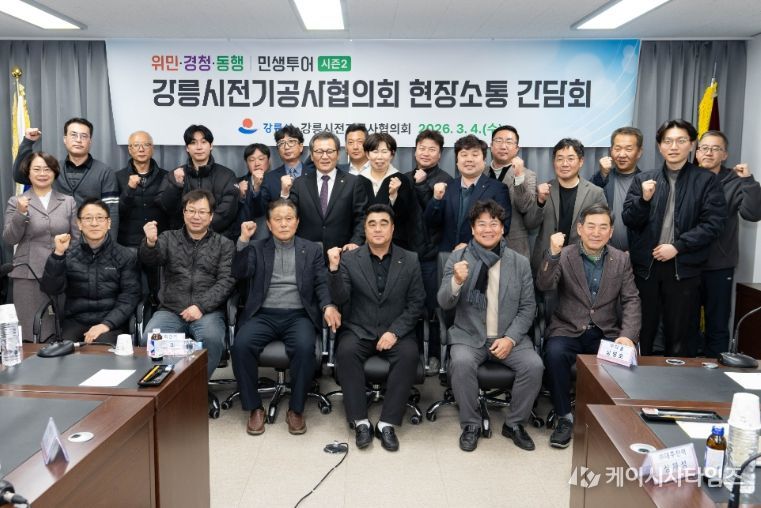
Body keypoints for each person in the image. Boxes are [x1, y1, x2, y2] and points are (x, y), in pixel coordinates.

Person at [438, 200, 543, 452]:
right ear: (473, 229)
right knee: (461, 364)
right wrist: (456, 281)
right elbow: (443, 302)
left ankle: (515, 424)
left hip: (508, 337)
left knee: (534, 366)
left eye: (493, 224)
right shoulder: (458, 258)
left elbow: (528, 307)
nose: (488, 229)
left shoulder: (519, 262)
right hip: (469, 336)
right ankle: (471, 424)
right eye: (482, 224)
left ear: (502, 228)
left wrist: (510, 338)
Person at [231, 199, 341, 436]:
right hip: (263, 314)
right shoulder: (257, 247)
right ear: (269, 225)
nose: (283, 224)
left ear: (297, 222)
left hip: (298, 315)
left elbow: (321, 283)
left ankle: (296, 409)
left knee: (304, 348)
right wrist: (243, 240)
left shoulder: (311, 249)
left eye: (289, 219)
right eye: (278, 219)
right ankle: (254, 407)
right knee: (241, 345)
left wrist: (328, 305)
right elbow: (239, 272)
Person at [537, 204, 641, 448]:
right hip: (567, 328)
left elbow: (631, 299)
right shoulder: (565, 255)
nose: (596, 233)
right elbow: (544, 285)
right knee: (554, 354)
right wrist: (552, 253)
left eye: (603, 227)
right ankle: (564, 417)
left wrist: (628, 335)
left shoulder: (621, 259)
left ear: (611, 231)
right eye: (591, 226)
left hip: (605, 331)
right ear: (580, 229)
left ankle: (610, 420)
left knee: (624, 359)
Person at [623, 119, 726, 357]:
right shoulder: (644, 179)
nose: (673, 147)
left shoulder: (706, 180)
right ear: (659, 146)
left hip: (684, 268)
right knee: (642, 332)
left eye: (681, 141)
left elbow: (713, 224)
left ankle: (677, 380)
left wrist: (678, 246)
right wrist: (643, 200)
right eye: (667, 141)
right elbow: (629, 219)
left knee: (680, 337)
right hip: (646, 268)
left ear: (691, 145)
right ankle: (637, 379)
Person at [327, 204, 425, 452]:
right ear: (365, 229)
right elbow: (340, 298)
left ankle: (387, 424)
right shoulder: (350, 259)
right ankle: (360, 422)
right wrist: (334, 269)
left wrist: (395, 332)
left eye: (383, 223)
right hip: (359, 328)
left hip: (395, 330)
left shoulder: (410, 259)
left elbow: (417, 303)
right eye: (372, 224)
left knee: (409, 354)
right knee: (346, 352)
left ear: (392, 229)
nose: (378, 229)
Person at [140, 189, 236, 379]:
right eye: (191, 211)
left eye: (202, 212)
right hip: (170, 310)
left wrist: (201, 306)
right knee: (150, 339)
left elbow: (226, 281)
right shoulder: (168, 238)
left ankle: (196, 389)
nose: (196, 217)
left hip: (207, 312)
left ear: (211, 216)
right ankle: (166, 387)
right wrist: (150, 243)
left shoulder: (224, 244)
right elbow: (150, 260)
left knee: (211, 340)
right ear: (184, 213)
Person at [695, 130, 761, 357]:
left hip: (719, 265)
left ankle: (716, 373)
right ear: (697, 152)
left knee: (718, 325)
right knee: (684, 325)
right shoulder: (686, 177)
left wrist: (749, 182)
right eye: (704, 148)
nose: (709, 153)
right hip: (686, 264)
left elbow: (752, 214)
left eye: (716, 149)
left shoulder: (734, 181)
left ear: (724, 155)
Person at [40, 198, 140, 344]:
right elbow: (51, 289)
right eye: (88, 218)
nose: (94, 223)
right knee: (64, 351)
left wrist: (106, 324)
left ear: (109, 223)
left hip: (111, 323)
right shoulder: (68, 253)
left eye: (100, 218)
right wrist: (58, 254)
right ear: (79, 224)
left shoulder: (125, 255)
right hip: (75, 321)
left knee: (101, 348)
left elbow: (129, 297)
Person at [3, 152, 79, 341]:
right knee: (30, 332)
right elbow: (10, 239)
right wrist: (21, 213)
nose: (42, 173)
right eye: (37, 169)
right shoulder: (16, 201)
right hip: (28, 274)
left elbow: (77, 239)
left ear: (54, 172)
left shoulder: (68, 201)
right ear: (28, 173)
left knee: (57, 330)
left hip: (60, 272)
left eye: (47, 169)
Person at [12, 119, 120, 234]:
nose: (78, 140)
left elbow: (111, 211)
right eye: (73, 135)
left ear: (90, 141)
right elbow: (19, 177)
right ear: (65, 139)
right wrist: (28, 142)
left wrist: (109, 243)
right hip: (55, 238)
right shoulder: (52, 169)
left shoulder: (105, 172)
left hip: (90, 237)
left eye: (84, 136)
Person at [405, 129, 452, 374]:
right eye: (421, 148)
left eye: (432, 149)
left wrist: (423, 186)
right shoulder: (404, 178)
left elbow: (436, 218)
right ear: (414, 151)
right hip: (406, 255)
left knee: (434, 307)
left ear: (440, 154)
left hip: (432, 256)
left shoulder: (447, 180)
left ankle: (434, 354)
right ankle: (410, 353)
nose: (425, 153)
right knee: (407, 305)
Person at [525, 138, 607, 274]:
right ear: (554, 162)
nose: (564, 164)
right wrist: (540, 201)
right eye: (560, 159)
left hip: (581, 265)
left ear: (581, 161)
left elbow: (604, 230)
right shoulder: (544, 189)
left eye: (570, 159)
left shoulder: (595, 193)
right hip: (546, 262)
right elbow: (530, 224)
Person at [284, 131, 368, 253]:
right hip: (306, 253)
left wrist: (355, 243)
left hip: (343, 253)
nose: (324, 156)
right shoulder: (299, 183)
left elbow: (361, 218)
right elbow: (289, 215)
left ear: (338, 154)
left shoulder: (353, 182)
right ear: (312, 156)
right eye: (319, 152)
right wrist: (284, 194)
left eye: (329, 151)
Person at [424, 134, 511, 252]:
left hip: (480, 255)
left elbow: (503, 227)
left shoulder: (498, 189)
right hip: (447, 255)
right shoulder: (447, 186)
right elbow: (430, 223)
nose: (469, 159)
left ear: (484, 160)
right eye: (464, 155)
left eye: (475, 155)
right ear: (457, 161)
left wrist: (471, 246)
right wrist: (436, 199)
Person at [158, 124, 239, 236]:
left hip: (217, 239)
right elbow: (166, 207)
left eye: (203, 142)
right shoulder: (174, 175)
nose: (199, 147)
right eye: (193, 142)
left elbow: (227, 212)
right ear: (187, 148)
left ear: (211, 145)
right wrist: (176, 186)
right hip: (181, 240)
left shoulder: (227, 175)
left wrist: (200, 230)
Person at [359, 132, 418, 251]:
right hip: (363, 244)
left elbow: (407, 216)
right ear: (367, 154)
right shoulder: (358, 180)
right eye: (375, 151)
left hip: (395, 245)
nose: (379, 157)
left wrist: (394, 195)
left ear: (392, 154)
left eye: (384, 151)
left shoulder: (401, 180)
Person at [487, 125, 537, 258]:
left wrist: (519, 176)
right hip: (481, 245)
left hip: (514, 247)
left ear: (517, 148)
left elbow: (524, 206)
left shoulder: (528, 175)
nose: (503, 146)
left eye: (509, 142)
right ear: (491, 146)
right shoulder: (480, 173)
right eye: (499, 141)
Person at [591, 127, 644, 251]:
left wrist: (635, 252)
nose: (622, 154)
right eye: (617, 148)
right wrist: (602, 174)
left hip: (635, 255)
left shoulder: (646, 182)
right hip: (603, 252)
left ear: (639, 152)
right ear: (611, 151)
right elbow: (588, 200)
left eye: (628, 149)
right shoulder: (602, 177)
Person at [115, 131, 168, 248]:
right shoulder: (118, 177)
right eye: (136, 145)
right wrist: (129, 189)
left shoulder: (166, 176)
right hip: (127, 244)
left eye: (146, 145)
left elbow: (170, 210)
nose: (141, 149)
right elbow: (116, 213)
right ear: (130, 149)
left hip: (158, 242)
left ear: (152, 148)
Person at [236, 143, 272, 240]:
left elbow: (260, 211)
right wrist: (240, 195)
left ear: (268, 161)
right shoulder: (237, 182)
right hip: (239, 235)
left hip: (266, 236)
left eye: (261, 159)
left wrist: (256, 188)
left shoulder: (275, 181)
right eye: (252, 160)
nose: (257, 163)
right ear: (246, 163)